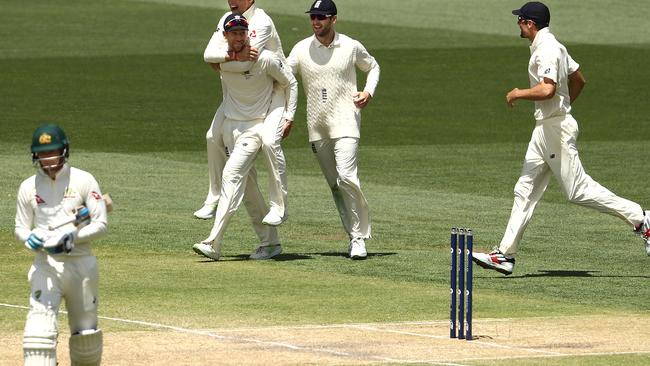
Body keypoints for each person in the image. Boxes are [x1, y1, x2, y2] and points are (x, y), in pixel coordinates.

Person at [472, 1, 650, 275]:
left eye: (520, 20)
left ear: (530, 23)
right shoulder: (553, 45)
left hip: (554, 129)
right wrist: (563, 110)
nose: (517, 24)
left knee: (577, 190)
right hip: (545, 128)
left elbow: (548, 89)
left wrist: (519, 93)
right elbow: (579, 79)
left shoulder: (546, 49)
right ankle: (504, 255)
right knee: (525, 190)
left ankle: (642, 220)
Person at [192, 13, 298, 261]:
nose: (239, 37)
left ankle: (213, 242)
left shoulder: (265, 58)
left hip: (255, 128)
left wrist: (288, 116)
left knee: (231, 175)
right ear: (226, 36)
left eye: (243, 32)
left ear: (248, 34)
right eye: (234, 33)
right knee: (248, 188)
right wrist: (231, 56)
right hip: (231, 127)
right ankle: (270, 243)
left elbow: (290, 82)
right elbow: (209, 57)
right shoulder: (221, 60)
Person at [287, 0, 380, 260]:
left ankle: (359, 238)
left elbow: (372, 66)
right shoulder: (301, 48)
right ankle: (352, 235)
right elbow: (282, 74)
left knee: (347, 176)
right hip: (317, 126)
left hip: (347, 121)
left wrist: (368, 91)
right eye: (313, 17)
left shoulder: (350, 46)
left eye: (321, 17)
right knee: (335, 185)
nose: (316, 21)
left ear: (333, 19)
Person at [15, 124, 108, 365]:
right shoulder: (28, 187)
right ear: (36, 156)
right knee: (37, 339)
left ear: (64, 151)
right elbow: (20, 228)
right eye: (43, 154)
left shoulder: (84, 180)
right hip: (45, 266)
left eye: (53, 152)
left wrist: (73, 237)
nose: (49, 160)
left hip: (81, 266)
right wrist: (29, 238)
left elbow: (100, 223)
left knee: (86, 339)